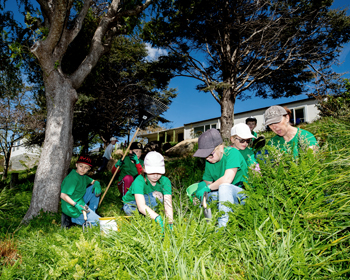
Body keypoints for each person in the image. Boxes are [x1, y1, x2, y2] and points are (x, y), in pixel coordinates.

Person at [193, 128, 248, 228]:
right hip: (224, 196)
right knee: (207, 197)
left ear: (221, 148)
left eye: (210, 154)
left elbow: (227, 179)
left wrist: (208, 188)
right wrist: (202, 187)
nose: (207, 158)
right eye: (204, 156)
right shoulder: (210, 161)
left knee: (224, 187)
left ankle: (222, 227)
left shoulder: (232, 153)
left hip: (242, 196)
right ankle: (206, 222)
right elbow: (207, 182)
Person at [122, 151, 173, 232]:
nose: (156, 176)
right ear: (144, 168)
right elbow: (141, 206)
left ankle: (150, 215)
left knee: (160, 197)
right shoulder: (139, 180)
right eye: (152, 172)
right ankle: (151, 216)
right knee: (156, 196)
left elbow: (168, 202)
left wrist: (170, 222)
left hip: (149, 203)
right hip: (132, 205)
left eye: (159, 172)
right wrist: (158, 218)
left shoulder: (165, 181)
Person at [60, 155, 101, 228]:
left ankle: (92, 212)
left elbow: (92, 181)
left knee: (95, 188)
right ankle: (72, 218)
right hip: (71, 206)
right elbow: (63, 195)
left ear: (89, 168)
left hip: (79, 200)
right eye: (81, 166)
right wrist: (76, 205)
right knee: (99, 222)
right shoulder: (72, 178)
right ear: (76, 165)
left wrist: (97, 183)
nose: (83, 169)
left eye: (86, 167)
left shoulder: (83, 177)